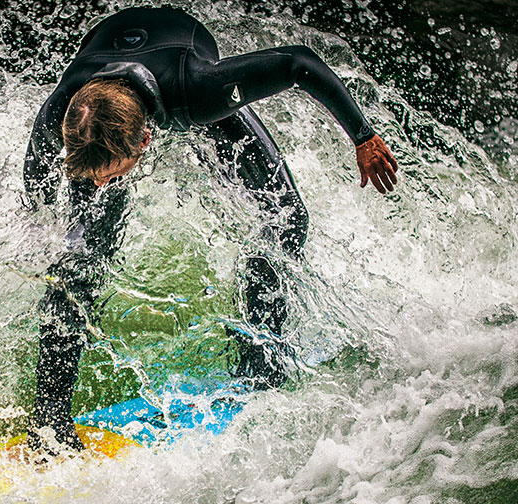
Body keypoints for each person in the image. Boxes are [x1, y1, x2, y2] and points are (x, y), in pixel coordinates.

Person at [22, 7, 398, 453]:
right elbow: (39, 178)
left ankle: (259, 370)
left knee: (285, 220)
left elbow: (298, 62)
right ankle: (49, 419)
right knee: (78, 265)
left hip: (180, 61)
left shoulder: (200, 92)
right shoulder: (65, 118)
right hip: (102, 102)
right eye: (91, 177)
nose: (99, 186)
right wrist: (40, 226)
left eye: (108, 175)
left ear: (146, 142)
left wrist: (363, 136)